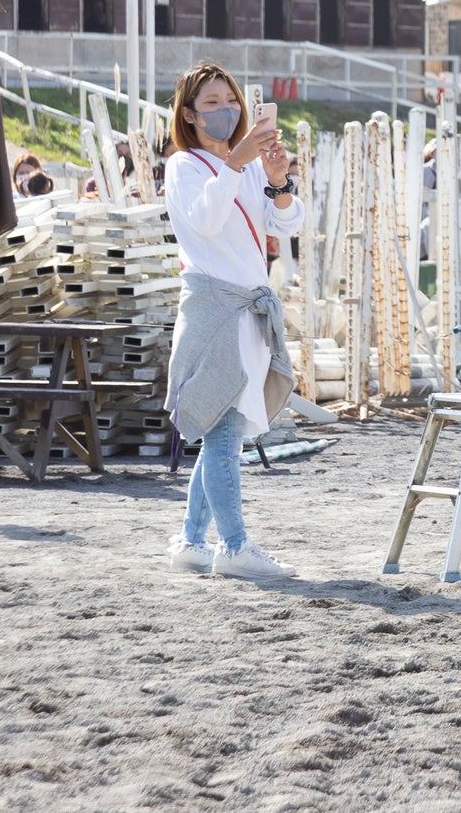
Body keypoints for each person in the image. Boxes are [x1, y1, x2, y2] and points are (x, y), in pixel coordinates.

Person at [162, 64, 304, 581]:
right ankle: (236, 545)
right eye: (212, 102)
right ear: (190, 114)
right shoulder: (183, 167)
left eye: (231, 101)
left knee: (227, 427)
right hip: (215, 307)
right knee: (223, 428)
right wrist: (235, 163)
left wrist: (276, 181)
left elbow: (284, 223)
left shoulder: (241, 169)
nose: (226, 110)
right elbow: (205, 220)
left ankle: (194, 540)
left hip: (249, 308)